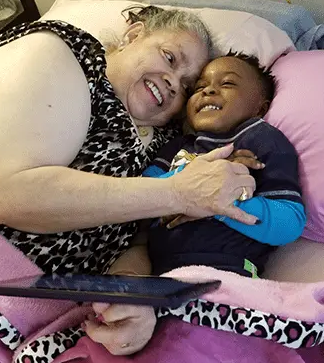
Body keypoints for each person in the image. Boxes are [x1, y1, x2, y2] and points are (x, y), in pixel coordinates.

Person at [0, 5, 259, 357]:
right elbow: (1, 194)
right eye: (169, 57)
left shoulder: (165, 149)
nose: (172, 82)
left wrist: (132, 296)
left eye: (185, 86)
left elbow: (136, 240)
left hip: (15, 332)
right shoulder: (62, 51)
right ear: (134, 35)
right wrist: (177, 192)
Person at [109, 53, 306, 281]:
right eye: (199, 87)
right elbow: (141, 195)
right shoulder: (178, 146)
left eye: (227, 83)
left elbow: (289, 223)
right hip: (158, 276)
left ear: (260, 109)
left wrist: (224, 202)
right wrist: (186, 185)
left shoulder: (263, 140)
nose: (208, 90)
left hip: (229, 273)